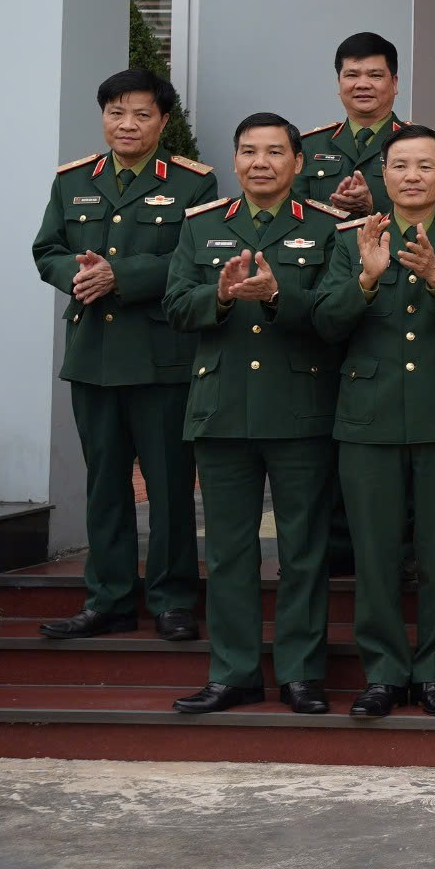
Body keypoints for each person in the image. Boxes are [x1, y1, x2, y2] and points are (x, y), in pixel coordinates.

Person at [311, 126, 435, 719]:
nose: (411, 176)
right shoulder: (351, 240)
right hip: (370, 416)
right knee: (376, 553)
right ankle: (384, 672)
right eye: (399, 166)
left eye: (424, 166)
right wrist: (365, 280)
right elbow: (325, 323)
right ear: (382, 175)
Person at [30, 68, 218, 643]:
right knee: (105, 484)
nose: (127, 124)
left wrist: (121, 275)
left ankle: (172, 598)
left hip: (162, 358)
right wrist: (77, 273)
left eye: (140, 114)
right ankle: (108, 599)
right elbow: (47, 249)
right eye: (116, 112)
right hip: (94, 355)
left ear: (163, 121)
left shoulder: (192, 184)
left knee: (169, 486)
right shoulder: (73, 181)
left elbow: (199, 258)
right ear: (104, 117)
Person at [163, 114, 343, 714]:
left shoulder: (326, 227)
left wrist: (277, 296)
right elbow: (175, 306)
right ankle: (233, 672)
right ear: (235, 160)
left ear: (298, 162)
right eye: (248, 152)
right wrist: (217, 296)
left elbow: (334, 314)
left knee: (303, 550)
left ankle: (300, 673)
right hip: (222, 408)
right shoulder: (202, 225)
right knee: (228, 551)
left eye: (273, 152)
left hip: (300, 409)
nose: (260, 162)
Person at [300, 30, 407, 218]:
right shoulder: (309, 146)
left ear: (394, 83)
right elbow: (293, 211)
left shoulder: (423, 144)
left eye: (375, 75)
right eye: (352, 75)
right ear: (339, 83)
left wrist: (372, 208)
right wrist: (335, 209)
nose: (362, 84)